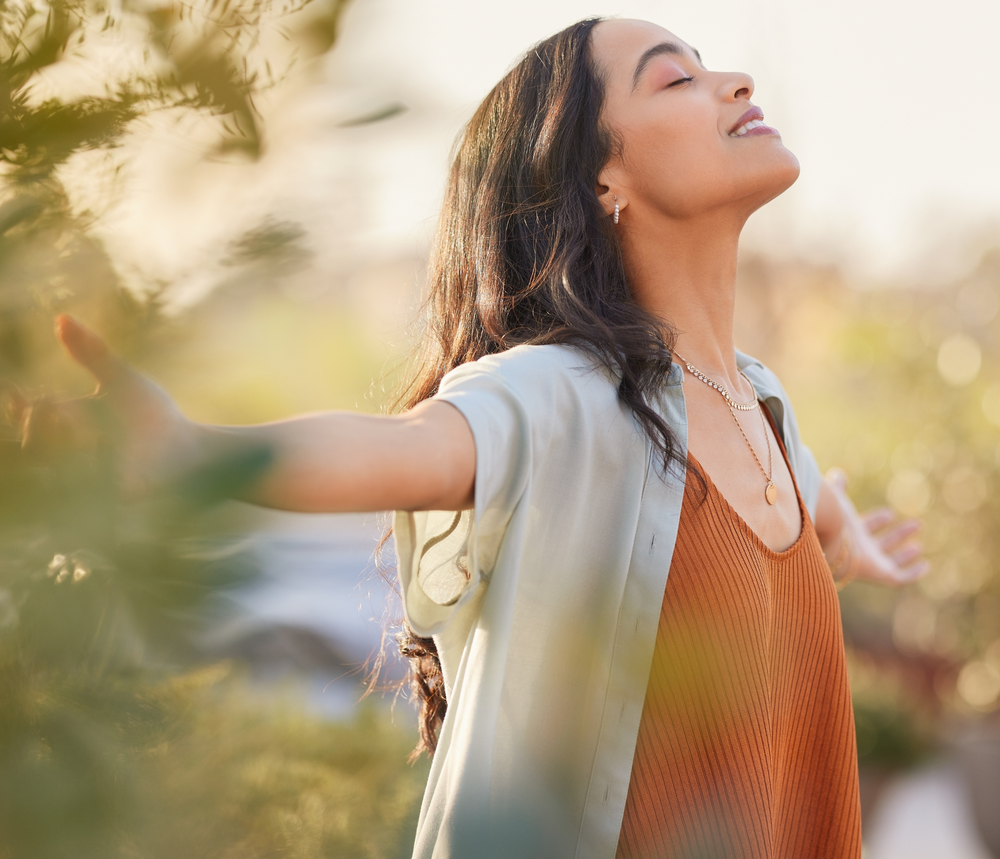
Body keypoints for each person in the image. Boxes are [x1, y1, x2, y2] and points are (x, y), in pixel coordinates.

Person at [54, 16, 927, 859]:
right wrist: (191, 453)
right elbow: (403, 451)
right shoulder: (561, 394)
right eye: (676, 78)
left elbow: (794, 501)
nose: (733, 82)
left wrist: (837, 532)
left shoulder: (762, 404)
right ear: (600, 181)